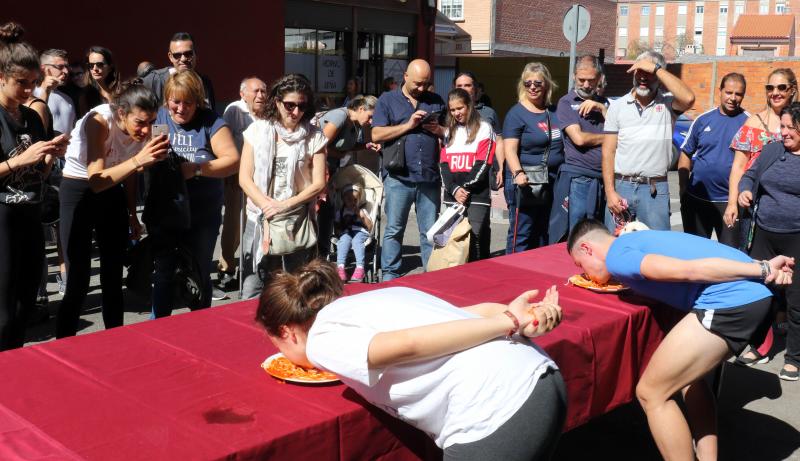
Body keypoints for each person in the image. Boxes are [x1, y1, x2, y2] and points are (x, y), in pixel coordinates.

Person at [256, 259, 566, 460]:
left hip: (495, 410)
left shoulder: (321, 340)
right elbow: (468, 316)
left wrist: (508, 321)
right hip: (541, 378)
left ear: (288, 333)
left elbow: (407, 344)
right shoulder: (370, 299)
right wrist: (521, 319)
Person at [567, 218, 793, 460]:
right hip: (753, 297)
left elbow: (690, 269)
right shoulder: (637, 240)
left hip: (731, 302)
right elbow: (707, 251)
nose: (585, 273)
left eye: (581, 264)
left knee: (651, 393)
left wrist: (762, 270)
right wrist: (762, 265)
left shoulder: (617, 257)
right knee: (690, 381)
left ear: (587, 249)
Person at [56, 82, 168, 338]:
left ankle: (114, 340)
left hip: (113, 188)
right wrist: (139, 160)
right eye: (140, 122)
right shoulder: (99, 120)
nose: (146, 129)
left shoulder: (144, 132)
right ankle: (63, 343)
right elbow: (96, 180)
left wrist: (131, 213)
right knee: (79, 277)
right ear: (121, 114)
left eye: (151, 121)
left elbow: (127, 174)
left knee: (113, 272)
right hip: (79, 187)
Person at [148, 70, 238, 316]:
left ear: (198, 101)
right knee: (163, 271)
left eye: (188, 102)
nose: (180, 108)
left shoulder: (211, 121)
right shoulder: (160, 117)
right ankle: (158, 326)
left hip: (202, 213)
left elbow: (232, 160)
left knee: (198, 272)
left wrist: (196, 169)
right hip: (168, 211)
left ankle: (198, 325)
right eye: (175, 101)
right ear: (167, 99)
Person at [0, 22, 67, 349]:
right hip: (3, 220)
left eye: (33, 83)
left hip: (29, 214)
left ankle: (13, 367)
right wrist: (19, 160)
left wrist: (52, 154)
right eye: (20, 83)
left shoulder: (31, 117)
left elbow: (37, 173)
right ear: (1, 77)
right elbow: (19, 163)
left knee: (26, 301)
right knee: (3, 307)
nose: (28, 91)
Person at [725, 68, 796, 366]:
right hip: (759, 218)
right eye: (770, 87)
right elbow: (742, 169)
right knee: (760, 283)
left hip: (793, 229)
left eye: (781, 87)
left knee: (793, 294)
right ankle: (760, 341)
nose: (775, 92)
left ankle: (792, 349)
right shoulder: (757, 127)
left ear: (793, 89)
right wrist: (736, 198)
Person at [238, 74, 327, 299]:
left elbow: (319, 183)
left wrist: (284, 205)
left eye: (301, 106)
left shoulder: (314, 135)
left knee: (297, 288)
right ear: (277, 102)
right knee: (254, 287)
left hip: (295, 220)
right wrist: (266, 205)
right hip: (259, 218)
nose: (295, 112)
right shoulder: (257, 131)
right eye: (289, 105)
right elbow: (244, 178)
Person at [737, 102, 800, 380]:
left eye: (790, 128)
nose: (783, 133)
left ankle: (794, 357)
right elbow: (749, 174)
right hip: (764, 234)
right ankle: (759, 347)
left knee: (796, 300)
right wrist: (745, 190)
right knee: (761, 293)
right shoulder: (773, 150)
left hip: (796, 239)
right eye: (782, 126)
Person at [602, 51, 695, 232]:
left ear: (659, 76)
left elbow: (689, 98)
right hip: (622, 187)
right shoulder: (617, 107)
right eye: (640, 71)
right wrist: (610, 192)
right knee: (617, 246)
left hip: (655, 190)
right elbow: (608, 151)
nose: (643, 77)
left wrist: (656, 68)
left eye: (649, 73)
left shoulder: (669, 105)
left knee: (656, 248)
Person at [371, 59, 445, 281]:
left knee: (430, 232)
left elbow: (449, 133)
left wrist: (439, 129)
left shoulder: (435, 101)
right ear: (405, 76)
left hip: (429, 176)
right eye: (418, 84)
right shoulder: (387, 100)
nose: (422, 89)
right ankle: (390, 274)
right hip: (399, 176)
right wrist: (408, 125)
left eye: (426, 84)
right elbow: (376, 135)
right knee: (394, 228)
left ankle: (430, 273)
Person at [678, 73, 748, 248]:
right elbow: (686, 153)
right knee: (694, 253)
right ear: (720, 91)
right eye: (728, 92)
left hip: (729, 203)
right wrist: (683, 189)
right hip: (696, 200)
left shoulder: (749, 122)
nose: (732, 98)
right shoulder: (703, 120)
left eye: (738, 94)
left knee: (729, 257)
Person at [502, 62, 564, 253]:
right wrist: (518, 173)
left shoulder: (553, 112)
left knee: (544, 232)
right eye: (527, 83)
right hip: (526, 183)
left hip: (551, 182)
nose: (533, 87)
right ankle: (513, 276)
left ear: (546, 84)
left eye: (537, 83)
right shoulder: (517, 114)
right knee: (521, 234)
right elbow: (509, 149)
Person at [549, 55, 609, 244]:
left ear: (599, 78)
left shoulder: (606, 104)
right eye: (581, 79)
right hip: (580, 178)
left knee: (600, 232)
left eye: (591, 80)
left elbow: (623, 133)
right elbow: (580, 139)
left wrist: (603, 109)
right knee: (580, 233)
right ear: (574, 76)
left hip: (606, 179)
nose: (585, 84)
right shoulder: (566, 103)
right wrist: (610, 139)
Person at [218, 77, 267, 290]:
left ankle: (252, 266)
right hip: (237, 174)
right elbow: (226, 142)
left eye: (264, 91)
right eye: (256, 91)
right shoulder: (234, 111)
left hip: (260, 177)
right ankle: (226, 267)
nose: (261, 95)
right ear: (243, 93)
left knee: (254, 222)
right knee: (233, 222)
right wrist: (230, 172)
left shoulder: (269, 112)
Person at [318, 94, 379, 258]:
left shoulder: (356, 124)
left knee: (328, 213)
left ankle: (322, 256)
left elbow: (346, 146)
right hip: (318, 170)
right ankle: (316, 257)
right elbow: (319, 145)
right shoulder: (340, 116)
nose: (371, 121)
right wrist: (338, 154)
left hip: (332, 169)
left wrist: (365, 146)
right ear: (360, 109)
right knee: (322, 213)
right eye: (370, 116)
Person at [440, 88, 496, 261]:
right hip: (453, 195)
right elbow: (443, 165)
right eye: (453, 110)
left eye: (460, 108)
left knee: (475, 240)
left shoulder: (484, 128)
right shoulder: (449, 132)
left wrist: (464, 188)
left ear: (469, 106)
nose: (456, 113)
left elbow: (483, 165)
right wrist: (454, 189)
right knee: (452, 242)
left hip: (477, 195)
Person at [453, 71, 505, 190]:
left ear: (475, 88)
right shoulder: (449, 114)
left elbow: (498, 141)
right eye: (459, 86)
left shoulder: (488, 113)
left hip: (483, 176)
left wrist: (502, 168)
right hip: (457, 175)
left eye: (467, 85)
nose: (463, 89)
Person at [143, 32, 216, 111]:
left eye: (188, 54)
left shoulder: (204, 82)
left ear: (195, 54)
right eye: (177, 55)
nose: (183, 59)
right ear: (170, 57)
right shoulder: (155, 81)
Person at [334, 184, 373, 282]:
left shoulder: (362, 211)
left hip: (360, 231)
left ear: (359, 200)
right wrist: (339, 233)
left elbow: (370, 227)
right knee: (344, 240)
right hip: (346, 231)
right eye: (349, 199)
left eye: (355, 200)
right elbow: (337, 225)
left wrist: (362, 216)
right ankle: (340, 267)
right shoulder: (341, 212)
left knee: (356, 241)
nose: (352, 202)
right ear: (343, 200)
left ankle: (360, 267)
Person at [35, 49, 75, 136]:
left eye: (67, 67)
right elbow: (34, 122)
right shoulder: (31, 94)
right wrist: (46, 90)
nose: (66, 71)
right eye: (60, 67)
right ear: (44, 69)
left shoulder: (68, 99)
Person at [79, 46, 119, 116]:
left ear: (110, 67)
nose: (95, 69)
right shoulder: (85, 96)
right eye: (91, 65)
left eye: (100, 64)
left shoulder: (122, 92)